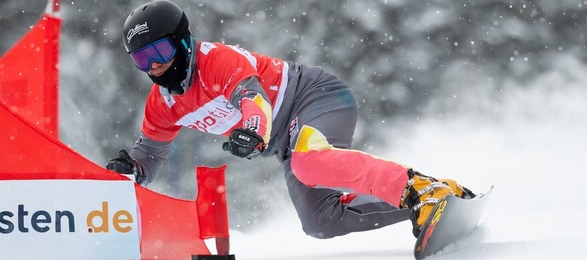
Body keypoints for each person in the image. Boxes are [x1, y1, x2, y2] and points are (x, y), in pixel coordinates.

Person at [106, 0, 475, 239]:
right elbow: (150, 155)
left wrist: (252, 132)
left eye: (159, 51)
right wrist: (132, 170)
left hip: (313, 97)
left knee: (309, 162)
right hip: (284, 141)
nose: (153, 66)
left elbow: (254, 101)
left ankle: (420, 190)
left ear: (183, 42)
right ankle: (434, 198)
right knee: (320, 222)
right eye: (141, 59)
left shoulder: (215, 62)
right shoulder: (163, 104)